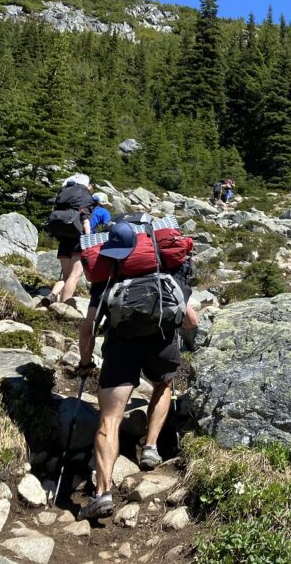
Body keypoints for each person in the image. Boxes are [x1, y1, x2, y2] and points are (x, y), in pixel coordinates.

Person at [75, 221, 199, 520]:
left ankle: (102, 493)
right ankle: (152, 448)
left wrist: (85, 361)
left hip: (120, 348)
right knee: (163, 386)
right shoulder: (165, 271)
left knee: (109, 419)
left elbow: (88, 328)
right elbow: (192, 321)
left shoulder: (106, 278)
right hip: (161, 342)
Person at [48, 174, 95, 305]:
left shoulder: (63, 196)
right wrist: (88, 243)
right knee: (74, 276)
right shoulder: (84, 197)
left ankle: (52, 294)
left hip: (63, 239)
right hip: (78, 241)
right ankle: (63, 306)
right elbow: (85, 222)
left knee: (66, 276)